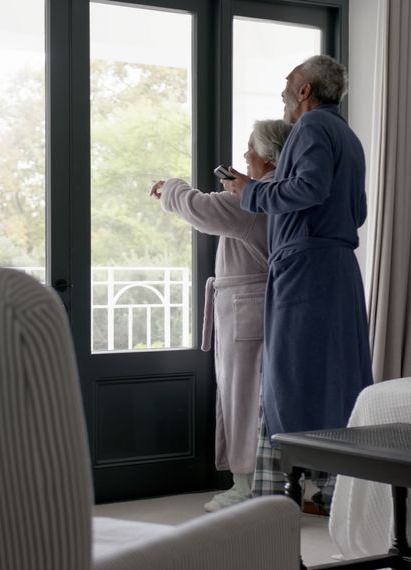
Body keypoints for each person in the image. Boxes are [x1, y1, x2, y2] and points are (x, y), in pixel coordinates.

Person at [221, 55, 373, 510]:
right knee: (337, 375)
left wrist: (249, 190)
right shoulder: (348, 135)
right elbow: (357, 211)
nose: (283, 91)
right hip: (338, 267)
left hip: (304, 268)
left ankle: (273, 498)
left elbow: (308, 189)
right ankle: (333, 491)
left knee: (289, 376)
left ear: (305, 90)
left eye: (288, 83)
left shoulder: (310, 130)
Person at [150, 119, 293, 512]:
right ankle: (260, 480)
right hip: (262, 306)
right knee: (255, 395)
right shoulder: (280, 197)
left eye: (251, 149)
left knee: (242, 395)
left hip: (246, 309)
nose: (244, 157)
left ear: (268, 158)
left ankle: (245, 484)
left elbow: (200, 208)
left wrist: (170, 186)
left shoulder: (253, 203)